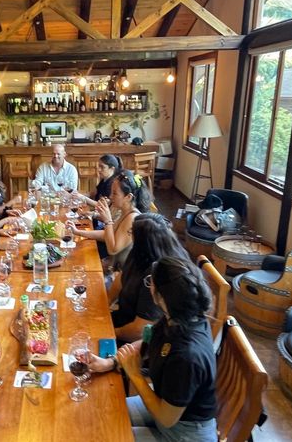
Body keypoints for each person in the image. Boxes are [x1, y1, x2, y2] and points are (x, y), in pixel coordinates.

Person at [91, 256, 217, 441]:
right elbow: (148, 340)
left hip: (182, 432)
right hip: (164, 406)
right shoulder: (180, 317)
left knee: (105, 434)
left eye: (151, 282)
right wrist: (111, 362)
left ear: (162, 297)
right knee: (99, 412)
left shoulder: (187, 356)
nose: (149, 286)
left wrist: (135, 374)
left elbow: (166, 418)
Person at [109, 213, 191, 343]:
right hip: (123, 318)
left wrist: (110, 333)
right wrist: (105, 304)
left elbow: (139, 330)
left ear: (144, 241)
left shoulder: (159, 275)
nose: (130, 236)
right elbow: (121, 277)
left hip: (139, 339)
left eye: (132, 233)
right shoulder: (139, 251)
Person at [67, 169, 152, 269]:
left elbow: (113, 249)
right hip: (113, 265)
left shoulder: (132, 218)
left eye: (115, 193)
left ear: (128, 197)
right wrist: (78, 232)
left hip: (120, 273)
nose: (110, 196)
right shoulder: (126, 212)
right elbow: (107, 234)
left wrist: (108, 221)